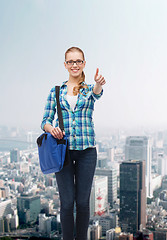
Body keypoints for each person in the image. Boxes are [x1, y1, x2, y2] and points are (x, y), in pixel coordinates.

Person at [40, 46, 106, 240]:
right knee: (67, 203)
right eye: (71, 61)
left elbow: (96, 93)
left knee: (83, 202)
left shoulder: (88, 89)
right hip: (64, 153)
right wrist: (52, 129)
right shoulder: (56, 91)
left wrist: (98, 84)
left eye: (78, 61)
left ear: (83, 64)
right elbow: (45, 120)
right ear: (65, 65)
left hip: (87, 151)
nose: (74, 65)